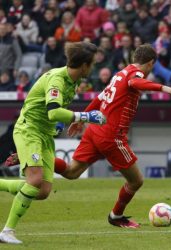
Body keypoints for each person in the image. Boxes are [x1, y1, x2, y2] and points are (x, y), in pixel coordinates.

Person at [8, 44, 171, 229]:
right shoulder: (135, 74)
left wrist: (83, 119)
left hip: (94, 130)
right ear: (150, 63)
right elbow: (135, 83)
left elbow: (101, 97)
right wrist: (164, 88)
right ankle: (116, 216)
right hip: (112, 136)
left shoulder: (120, 74)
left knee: (71, 172)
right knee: (136, 181)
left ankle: (39, 157)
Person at [0, 42, 106, 244]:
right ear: (83, 65)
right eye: (91, 64)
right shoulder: (57, 80)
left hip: (45, 136)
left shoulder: (72, 81)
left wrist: (61, 124)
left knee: (42, 191)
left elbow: (54, 113)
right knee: (34, 181)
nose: (92, 68)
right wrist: (86, 117)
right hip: (29, 131)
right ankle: (6, 231)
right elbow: (54, 111)